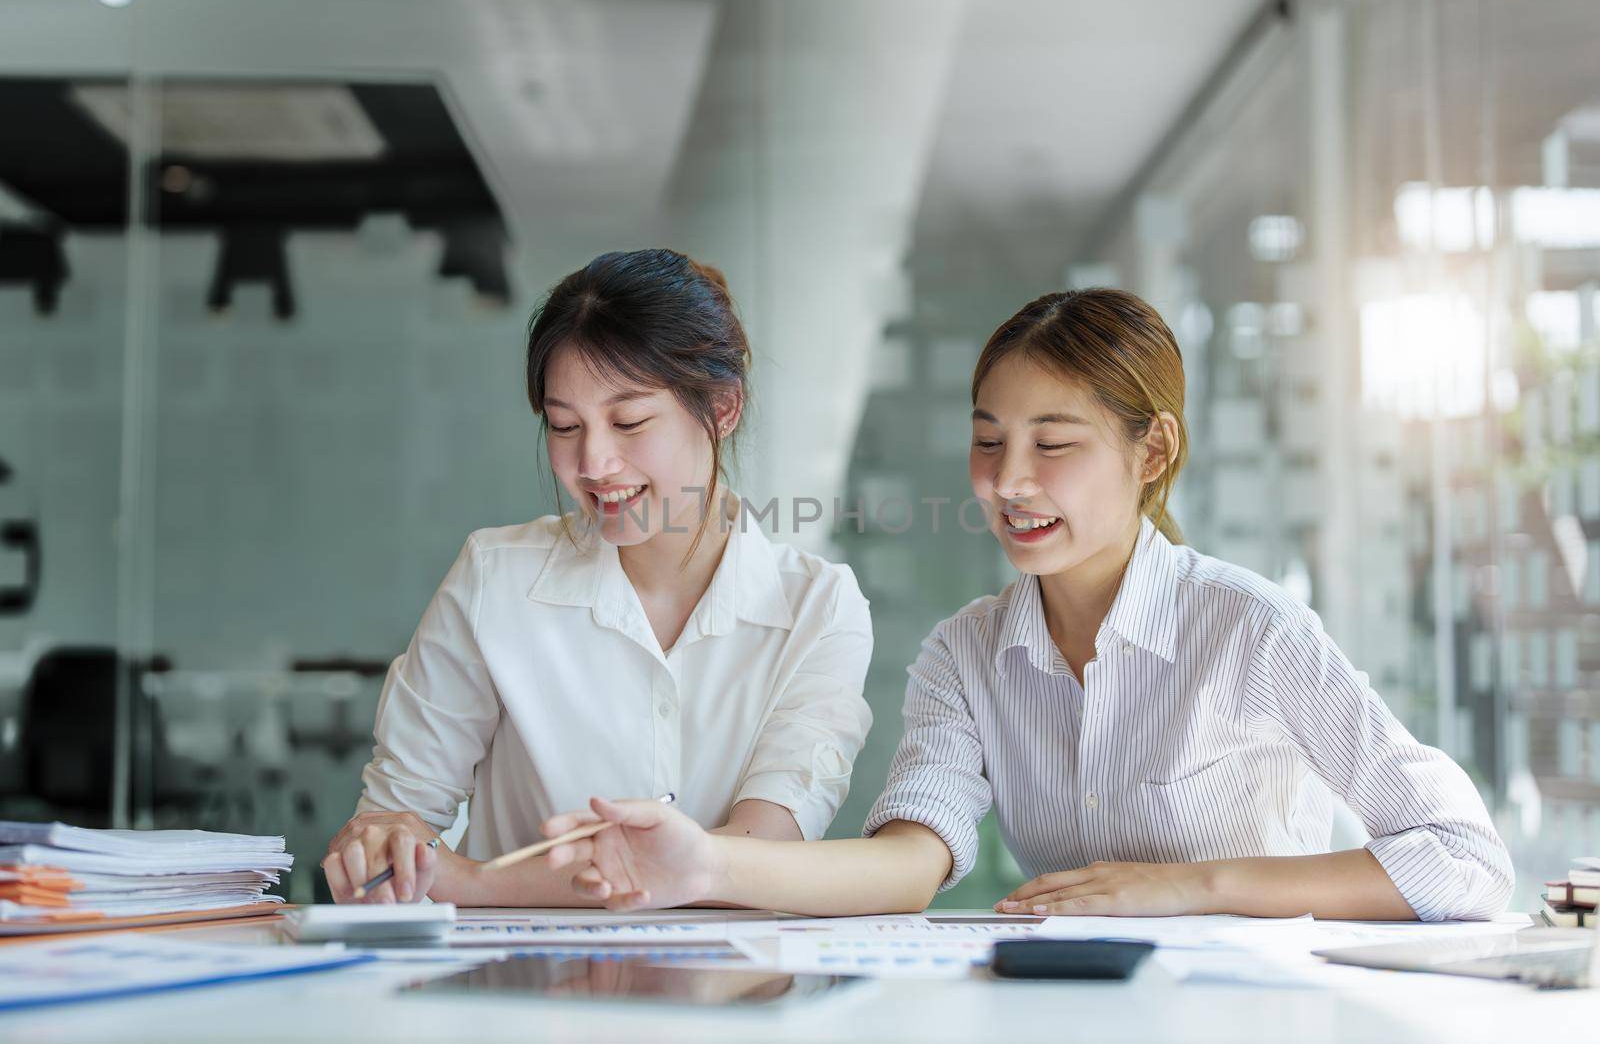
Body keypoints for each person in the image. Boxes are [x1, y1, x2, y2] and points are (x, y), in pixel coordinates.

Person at [538, 287, 1514, 922]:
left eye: (1054, 444)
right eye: (987, 440)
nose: (1008, 481)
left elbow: (1464, 856)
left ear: (1153, 451)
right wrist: (703, 861)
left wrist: (1190, 886)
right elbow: (911, 859)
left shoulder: (1249, 629)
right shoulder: (967, 652)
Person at [322, 249, 873, 905]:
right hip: (522, 988)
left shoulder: (819, 607)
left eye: (629, 421)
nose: (594, 462)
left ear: (723, 408)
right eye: (563, 426)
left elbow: (760, 853)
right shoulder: (495, 579)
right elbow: (395, 811)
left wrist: (471, 881)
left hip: (733, 990)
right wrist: (381, 846)